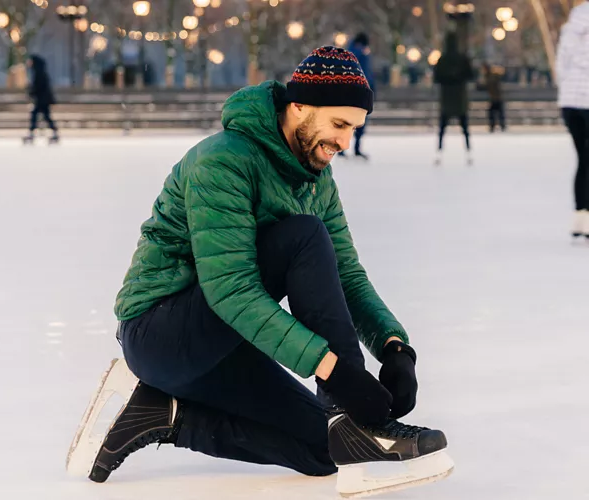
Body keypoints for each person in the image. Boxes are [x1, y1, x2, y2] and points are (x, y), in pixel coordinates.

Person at [67, 47, 453, 498]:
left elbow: (346, 274)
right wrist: (338, 374)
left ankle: (166, 414)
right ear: (300, 107)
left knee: (323, 449)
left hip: (225, 342)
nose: (345, 142)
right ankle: (352, 419)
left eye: (354, 129)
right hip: (161, 333)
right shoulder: (223, 160)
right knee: (304, 236)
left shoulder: (314, 178)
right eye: (339, 125)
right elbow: (230, 291)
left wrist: (394, 348)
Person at [556, 0, 589, 239]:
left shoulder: (571, 26)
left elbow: (561, 64)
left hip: (570, 101)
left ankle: (580, 217)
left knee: (583, 160)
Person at [433, 32, 475, 166]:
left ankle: (439, 152)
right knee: (464, 127)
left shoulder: (443, 59)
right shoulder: (462, 59)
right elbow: (470, 75)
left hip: (447, 97)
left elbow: (437, 77)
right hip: (459, 97)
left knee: (442, 127)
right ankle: (468, 152)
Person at [338, 32, 375, 160]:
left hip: (348, 92)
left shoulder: (348, 53)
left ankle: (342, 148)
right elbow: (367, 74)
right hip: (360, 91)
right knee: (360, 121)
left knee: (347, 121)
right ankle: (356, 148)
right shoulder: (362, 54)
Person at [23, 55, 58, 144]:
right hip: (42, 100)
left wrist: (31, 92)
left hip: (42, 100)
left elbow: (39, 88)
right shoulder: (40, 73)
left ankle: (32, 133)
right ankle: (54, 132)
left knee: (37, 115)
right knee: (45, 116)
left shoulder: (39, 74)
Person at [479, 62, 506, 133]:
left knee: (497, 113)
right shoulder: (488, 75)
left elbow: (490, 83)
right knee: (494, 113)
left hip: (497, 97)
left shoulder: (492, 75)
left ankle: (500, 125)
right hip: (494, 97)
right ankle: (495, 126)